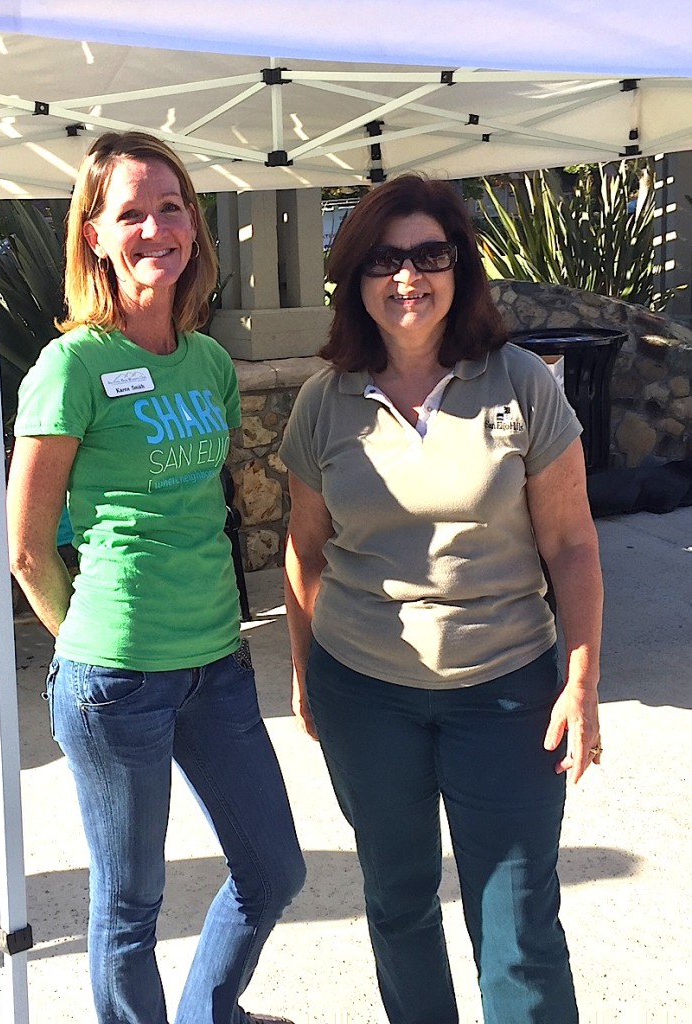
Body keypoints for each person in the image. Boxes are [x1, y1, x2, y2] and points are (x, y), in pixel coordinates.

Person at [280, 174, 603, 1024]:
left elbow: (571, 544)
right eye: (384, 259)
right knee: (397, 902)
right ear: (355, 278)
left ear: (460, 268)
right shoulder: (325, 402)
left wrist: (581, 679)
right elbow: (304, 551)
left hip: (507, 694)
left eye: (430, 254)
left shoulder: (522, 383)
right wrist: (307, 669)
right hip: (367, 695)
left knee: (520, 925)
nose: (407, 277)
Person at [7, 131, 304, 1024]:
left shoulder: (209, 363)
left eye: (170, 206)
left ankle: (213, 1011)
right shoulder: (72, 366)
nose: (154, 227)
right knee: (129, 910)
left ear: (194, 227)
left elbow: (204, 501)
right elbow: (26, 545)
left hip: (218, 665)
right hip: (116, 680)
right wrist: (93, 643)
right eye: (129, 211)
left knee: (274, 870)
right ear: (93, 235)